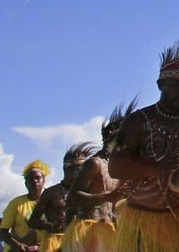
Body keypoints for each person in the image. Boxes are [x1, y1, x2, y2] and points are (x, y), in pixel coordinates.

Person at [109, 31, 179, 252]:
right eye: (176, 84)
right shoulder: (138, 121)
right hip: (141, 220)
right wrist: (158, 169)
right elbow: (115, 167)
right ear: (161, 84)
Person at [63, 99, 137, 252]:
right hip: (87, 231)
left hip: (109, 231)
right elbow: (72, 199)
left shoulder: (119, 168)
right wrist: (108, 197)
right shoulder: (94, 164)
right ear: (111, 134)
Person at [28, 143, 96, 252]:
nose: (85, 172)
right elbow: (32, 221)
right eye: (81, 169)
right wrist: (51, 226)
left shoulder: (88, 192)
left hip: (81, 241)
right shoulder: (50, 193)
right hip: (55, 242)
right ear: (67, 168)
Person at [0, 160, 46, 252]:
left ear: (44, 181)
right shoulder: (15, 203)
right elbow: (3, 231)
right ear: (26, 183)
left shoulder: (52, 202)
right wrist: (19, 246)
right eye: (30, 179)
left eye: (38, 178)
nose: (35, 181)